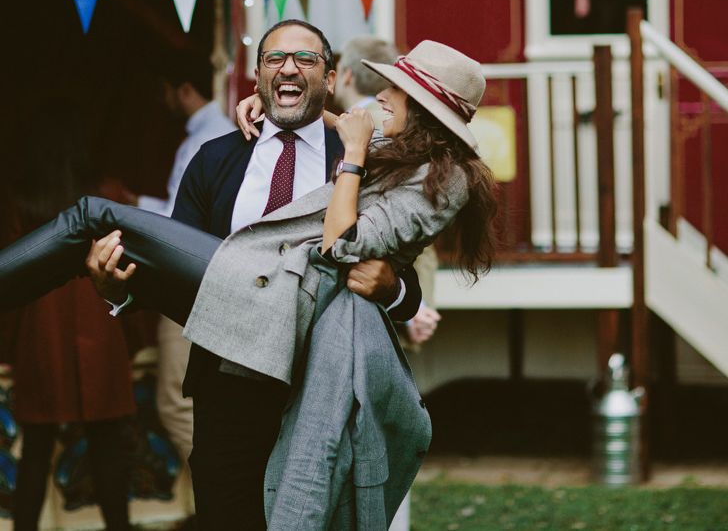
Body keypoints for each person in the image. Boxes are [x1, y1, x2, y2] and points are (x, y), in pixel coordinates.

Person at [0, 30, 498, 528]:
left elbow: (394, 271)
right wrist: (116, 289)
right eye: (273, 60)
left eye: (304, 58)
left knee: (90, 212)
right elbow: (168, 274)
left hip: (305, 375)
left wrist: (394, 288)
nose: (287, 69)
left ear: (328, 77)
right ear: (256, 74)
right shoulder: (219, 157)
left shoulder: (367, 155)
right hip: (225, 380)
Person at [5, 100, 135, 531]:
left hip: (40, 329)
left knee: (36, 450)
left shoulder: (21, 199)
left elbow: (12, 274)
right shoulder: (108, 193)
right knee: (108, 448)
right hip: (97, 318)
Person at [127, 57, 234, 524]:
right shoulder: (215, 131)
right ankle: (211, 504)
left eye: (166, 91)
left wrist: (130, 213)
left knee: (174, 400)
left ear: (183, 88)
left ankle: (228, 495)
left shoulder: (206, 139)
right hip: (206, 282)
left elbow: (183, 220)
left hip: (195, 284)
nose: (163, 101)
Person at [333, 35, 443, 349]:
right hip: (391, 295)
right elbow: (420, 230)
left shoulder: (356, 130)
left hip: (357, 292)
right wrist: (418, 308)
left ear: (347, 76)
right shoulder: (412, 128)